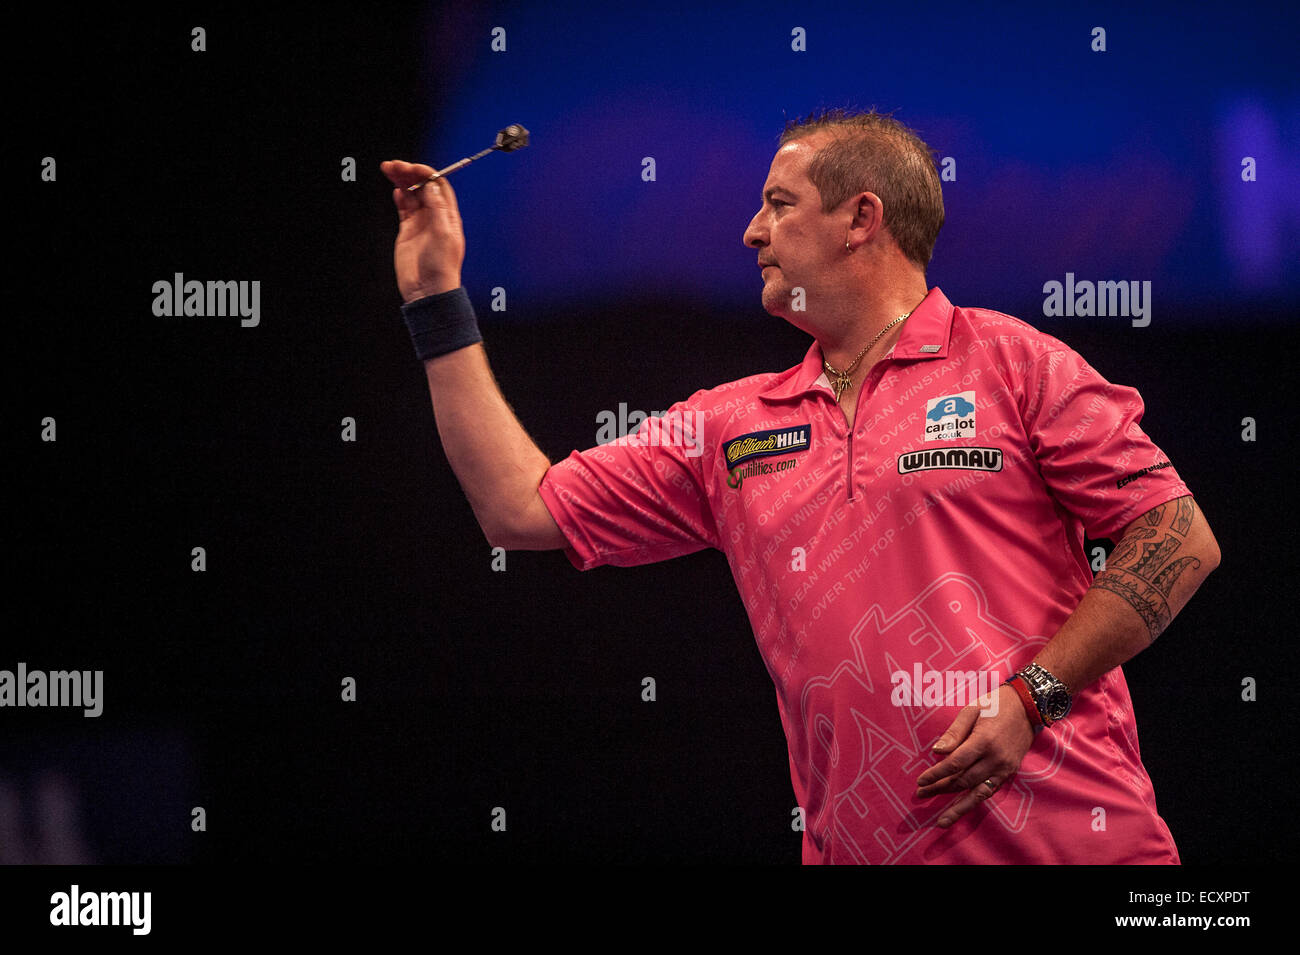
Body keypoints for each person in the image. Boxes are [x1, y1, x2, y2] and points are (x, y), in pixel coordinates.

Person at [380, 107, 1220, 864]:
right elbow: (518, 507)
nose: (751, 232)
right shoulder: (730, 425)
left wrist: (1033, 698)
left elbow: (1178, 538)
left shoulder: (1011, 362)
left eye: (778, 204)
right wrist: (433, 296)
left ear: (862, 218)